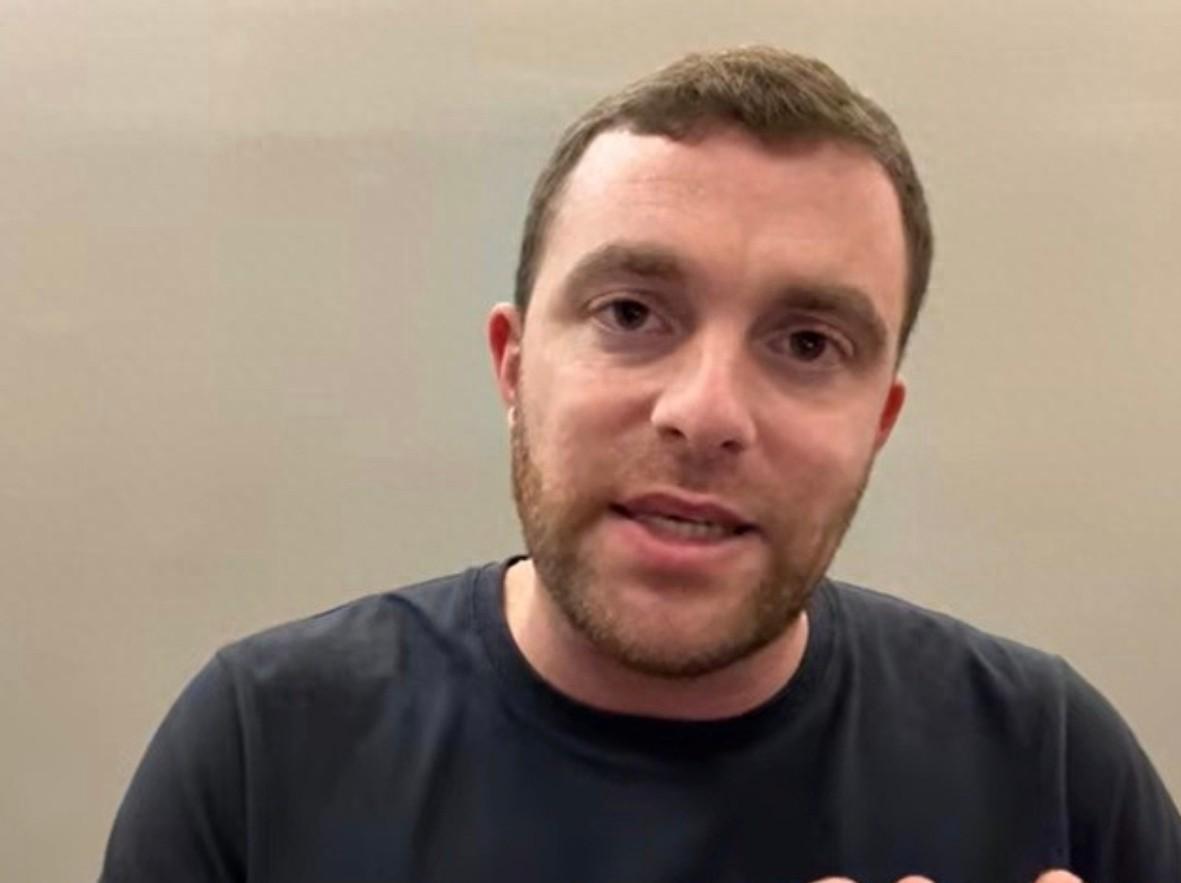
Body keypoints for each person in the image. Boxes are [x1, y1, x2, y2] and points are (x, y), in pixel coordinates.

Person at [99, 47, 1180, 883]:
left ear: (879, 422)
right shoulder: (266, 751)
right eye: (629, 313)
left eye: (807, 343)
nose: (704, 414)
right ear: (514, 365)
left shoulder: (1047, 768)